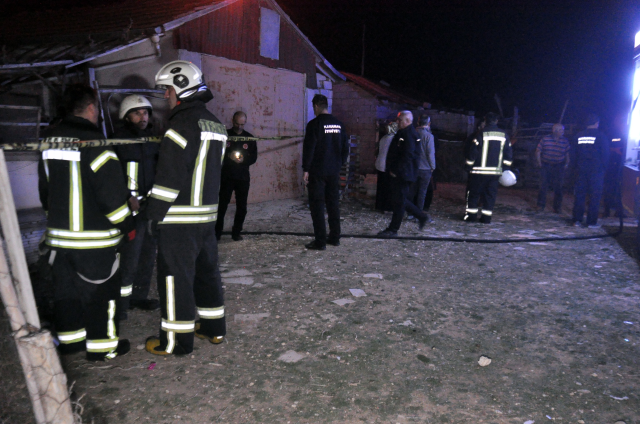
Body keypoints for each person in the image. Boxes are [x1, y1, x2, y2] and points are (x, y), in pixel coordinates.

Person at [37, 84, 135, 361]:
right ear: (92, 108)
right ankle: (103, 348)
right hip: (95, 242)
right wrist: (127, 226)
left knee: (66, 297)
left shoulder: (49, 140)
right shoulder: (96, 143)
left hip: (59, 240)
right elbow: (112, 196)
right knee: (102, 296)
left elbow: (45, 190)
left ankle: (71, 345)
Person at [142, 60, 227, 355]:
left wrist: (153, 216)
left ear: (180, 88)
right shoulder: (215, 123)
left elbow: (168, 179)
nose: (166, 96)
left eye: (167, 89)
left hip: (178, 220)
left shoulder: (178, 126)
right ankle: (214, 329)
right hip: (206, 218)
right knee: (207, 274)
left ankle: (177, 341)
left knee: (175, 279)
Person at [113, 95, 160, 316]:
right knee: (129, 257)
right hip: (128, 210)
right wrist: (125, 196)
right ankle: (122, 304)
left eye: (146, 112)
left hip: (149, 208)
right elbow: (110, 175)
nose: (143, 117)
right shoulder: (117, 141)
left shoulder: (153, 139)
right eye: (137, 113)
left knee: (148, 254)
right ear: (126, 116)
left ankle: (139, 297)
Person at [302, 94, 350, 250]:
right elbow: (345, 149)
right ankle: (335, 237)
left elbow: (309, 149)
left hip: (318, 172)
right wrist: (338, 163)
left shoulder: (314, 125)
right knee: (333, 204)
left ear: (316, 106)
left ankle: (320, 241)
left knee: (317, 206)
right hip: (333, 172)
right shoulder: (339, 124)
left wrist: (306, 169)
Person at [377, 111, 429, 237]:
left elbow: (407, 155)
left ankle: (393, 229)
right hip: (403, 173)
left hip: (403, 174)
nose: (397, 122)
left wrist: (396, 171)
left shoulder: (409, 134)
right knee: (400, 199)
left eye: (400, 120)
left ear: (407, 121)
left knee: (399, 201)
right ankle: (421, 216)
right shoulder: (405, 133)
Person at [215, 111, 258, 241]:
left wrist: (243, 160)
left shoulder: (249, 138)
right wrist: (228, 157)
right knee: (222, 205)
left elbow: (254, 157)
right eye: (236, 123)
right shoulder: (225, 135)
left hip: (242, 178)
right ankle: (217, 233)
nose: (239, 127)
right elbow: (217, 153)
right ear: (232, 121)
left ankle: (236, 232)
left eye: (242, 124)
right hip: (227, 176)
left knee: (242, 206)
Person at [464, 112, 513, 223]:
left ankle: (471, 217)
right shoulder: (504, 135)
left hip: (478, 172)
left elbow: (473, 153)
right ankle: (486, 218)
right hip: (495, 173)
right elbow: (509, 154)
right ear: (496, 121)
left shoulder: (481, 134)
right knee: (490, 195)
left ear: (485, 121)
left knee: (474, 194)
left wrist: (468, 166)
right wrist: (505, 168)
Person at [572, 113, 610, 228]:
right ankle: (591, 222)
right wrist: (604, 169)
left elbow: (573, 154)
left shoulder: (578, 136)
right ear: (597, 123)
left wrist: (574, 168)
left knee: (579, 195)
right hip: (596, 171)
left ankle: (576, 220)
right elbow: (605, 155)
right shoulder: (601, 136)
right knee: (595, 196)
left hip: (581, 170)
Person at [535, 123, 570, 213]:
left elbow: (567, 153)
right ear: (555, 131)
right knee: (543, 186)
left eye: (563, 130)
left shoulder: (565, 141)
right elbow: (538, 150)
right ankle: (540, 205)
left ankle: (557, 207)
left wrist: (567, 163)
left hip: (559, 166)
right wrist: (539, 162)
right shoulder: (545, 139)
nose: (563, 132)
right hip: (546, 165)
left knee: (558, 187)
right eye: (561, 130)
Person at [414, 115, 436, 220]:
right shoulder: (429, 136)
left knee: (413, 190)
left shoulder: (413, 133)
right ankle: (419, 213)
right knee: (422, 192)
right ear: (428, 124)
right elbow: (430, 153)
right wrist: (433, 166)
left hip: (413, 167)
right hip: (425, 168)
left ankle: (411, 212)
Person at [374, 122, 397, 212]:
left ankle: (379, 206)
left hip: (379, 164)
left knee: (380, 187)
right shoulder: (394, 139)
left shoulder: (384, 138)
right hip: (386, 166)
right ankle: (387, 207)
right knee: (388, 187)